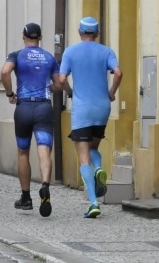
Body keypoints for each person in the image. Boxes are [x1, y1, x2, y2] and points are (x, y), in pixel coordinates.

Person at [56, 17, 123, 219]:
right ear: (98, 33)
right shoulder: (106, 51)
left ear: (79, 31)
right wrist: (112, 92)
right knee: (93, 147)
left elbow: (61, 79)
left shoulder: (70, 51)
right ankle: (100, 169)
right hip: (102, 107)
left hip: (82, 108)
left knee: (83, 154)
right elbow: (118, 73)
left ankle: (93, 202)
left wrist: (69, 92)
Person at [1, 23, 59, 217]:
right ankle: (44, 185)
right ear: (40, 37)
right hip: (43, 107)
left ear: (23, 36)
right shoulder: (49, 57)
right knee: (44, 150)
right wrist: (50, 87)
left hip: (24, 107)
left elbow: (4, 72)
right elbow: (58, 84)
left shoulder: (16, 55)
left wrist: (10, 93)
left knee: (23, 152)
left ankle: (26, 197)